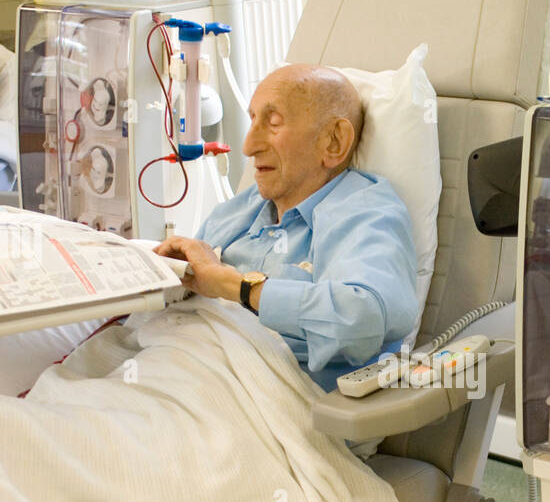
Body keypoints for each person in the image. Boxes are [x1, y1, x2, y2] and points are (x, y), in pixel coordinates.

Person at [154, 63, 419, 390]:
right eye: (253, 120)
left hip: (262, 401)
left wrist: (239, 286)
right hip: (173, 361)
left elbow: (364, 319)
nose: (249, 146)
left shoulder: (366, 211)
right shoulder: (242, 208)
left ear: (334, 141)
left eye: (273, 123)